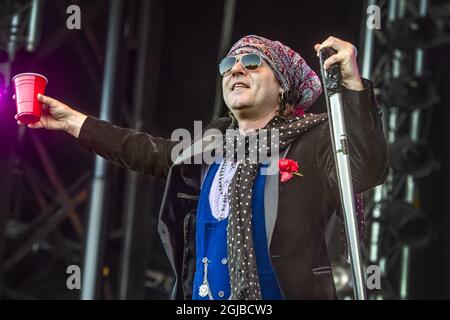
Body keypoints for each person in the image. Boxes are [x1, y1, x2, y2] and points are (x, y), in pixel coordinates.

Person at [15, 35, 388, 300]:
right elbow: (147, 151)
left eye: (253, 63)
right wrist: (72, 122)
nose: (235, 70)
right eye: (229, 65)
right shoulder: (210, 145)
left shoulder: (315, 137)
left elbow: (366, 169)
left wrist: (354, 86)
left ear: (282, 88)